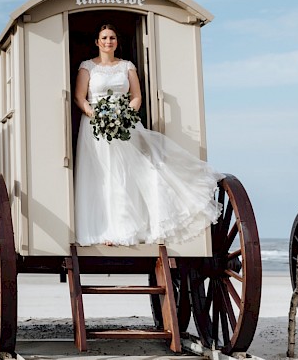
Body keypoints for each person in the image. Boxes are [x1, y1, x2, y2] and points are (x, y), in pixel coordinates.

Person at [73, 24, 221, 246]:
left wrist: (124, 115)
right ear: (97, 42)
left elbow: (136, 96)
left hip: (124, 126)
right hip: (95, 127)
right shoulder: (87, 67)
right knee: (101, 175)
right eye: (104, 38)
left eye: (112, 37)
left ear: (116, 42)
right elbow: (79, 97)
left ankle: (127, 228)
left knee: (130, 174)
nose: (108, 41)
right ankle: (102, 230)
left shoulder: (127, 66)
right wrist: (96, 115)